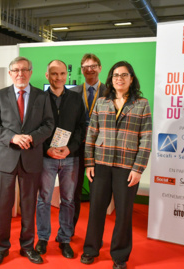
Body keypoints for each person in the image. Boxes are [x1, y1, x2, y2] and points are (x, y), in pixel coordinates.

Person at [80, 61, 152, 269]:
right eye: (115, 75)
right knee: (96, 210)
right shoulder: (102, 102)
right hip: (101, 164)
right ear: (111, 79)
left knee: (123, 212)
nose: (119, 78)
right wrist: (89, 163)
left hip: (127, 167)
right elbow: (91, 133)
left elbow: (146, 139)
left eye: (124, 75)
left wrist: (138, 169)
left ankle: (119, 256)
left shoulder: (141, 103)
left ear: (131, 78)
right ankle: (90, 249)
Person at [0, 56, 54, 266]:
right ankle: (1, 247)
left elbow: (49, 124)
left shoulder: (42, 96)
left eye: (24, 70)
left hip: (31, 158)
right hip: (5, 159)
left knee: (28, 205)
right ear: (10, 73)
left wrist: (32, 138)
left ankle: (27, 247)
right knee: (4, 206)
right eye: (16, 70)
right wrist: (12, 137)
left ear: (31, 72)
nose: (20, 74)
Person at [35, 60, 85, 259]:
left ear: (67, 75)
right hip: (46, 157)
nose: (59, 77)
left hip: (70, 157)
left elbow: (82, 127)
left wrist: (69, 148)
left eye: (62, 73)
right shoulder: (39, 99)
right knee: (44, 198)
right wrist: (47, 150)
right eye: (54, 74)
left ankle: (65, 238)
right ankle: (43, 238)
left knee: (69, 200)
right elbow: (34, 129)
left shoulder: (75, 98)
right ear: (47, 75)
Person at [70, 53, 106, 234]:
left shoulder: (109, 92)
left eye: (93, 66)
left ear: (100, 68)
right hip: (77, 148)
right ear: (81, 70)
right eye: (85, 67)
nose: (89, 70)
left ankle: (94, 235)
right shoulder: (73, 92)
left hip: (100, 149)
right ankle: (69, 231)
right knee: (74, 192)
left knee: (97, 194)